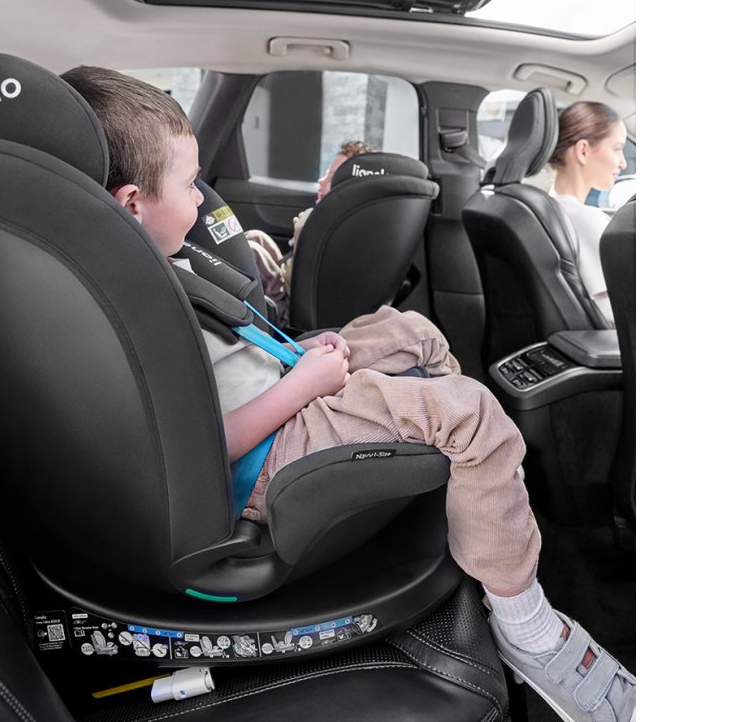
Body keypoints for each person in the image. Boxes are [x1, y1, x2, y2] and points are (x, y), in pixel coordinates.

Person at [60, 65, 636, 722]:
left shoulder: (149, 261)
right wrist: (307, 384)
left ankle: (469, 486)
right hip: (263, 455)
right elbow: (195, 449)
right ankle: (526, 626)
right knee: (472, 414)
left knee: (411, 329)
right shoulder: (133, 302)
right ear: (133, 202)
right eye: (191, 185)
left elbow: (227, 355)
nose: (201, 199)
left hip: (278, 388)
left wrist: (301, 355)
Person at [243, 140, 375, 328]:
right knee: (256, 237)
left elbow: (303, 281)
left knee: (251, 251)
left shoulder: (331, 228)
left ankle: (272, 313)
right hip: (290, 283)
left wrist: (304, 231)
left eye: (331, 177)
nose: (322, 180)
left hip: (292, 308)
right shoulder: (333, 221)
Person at [548, 101, 628, 328]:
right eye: (617, 149)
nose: (623, 163)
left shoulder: (546, 211)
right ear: (583, 151)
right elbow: (618, 314)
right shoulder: (587, 220)